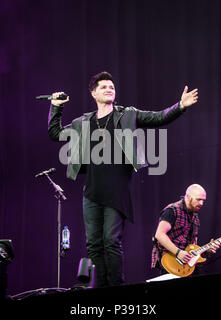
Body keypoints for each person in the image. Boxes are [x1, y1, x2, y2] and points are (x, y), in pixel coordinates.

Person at [48, 71, 199, 287]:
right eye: (103, 87)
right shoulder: (83, 122)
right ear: (93, 93)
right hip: (91, 192)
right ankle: (100, 288)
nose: (109, 89)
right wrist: (56, 106)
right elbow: (55, 133)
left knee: (111, 242)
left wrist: (180, 106)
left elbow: (158, 117)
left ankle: (117, 288)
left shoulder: (126, 115)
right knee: (94, 245)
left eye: (111, 86)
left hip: (117, 191)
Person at [151, 184, 220, 273]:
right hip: (171, 261)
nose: (201, 203)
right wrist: (178, 252)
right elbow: (159, 234)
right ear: (187, 196)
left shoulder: (195, 216)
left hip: (187, 266)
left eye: (203, 200)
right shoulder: (172, 210)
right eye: (198, 199)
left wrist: (207, 251)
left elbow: (191, 247)